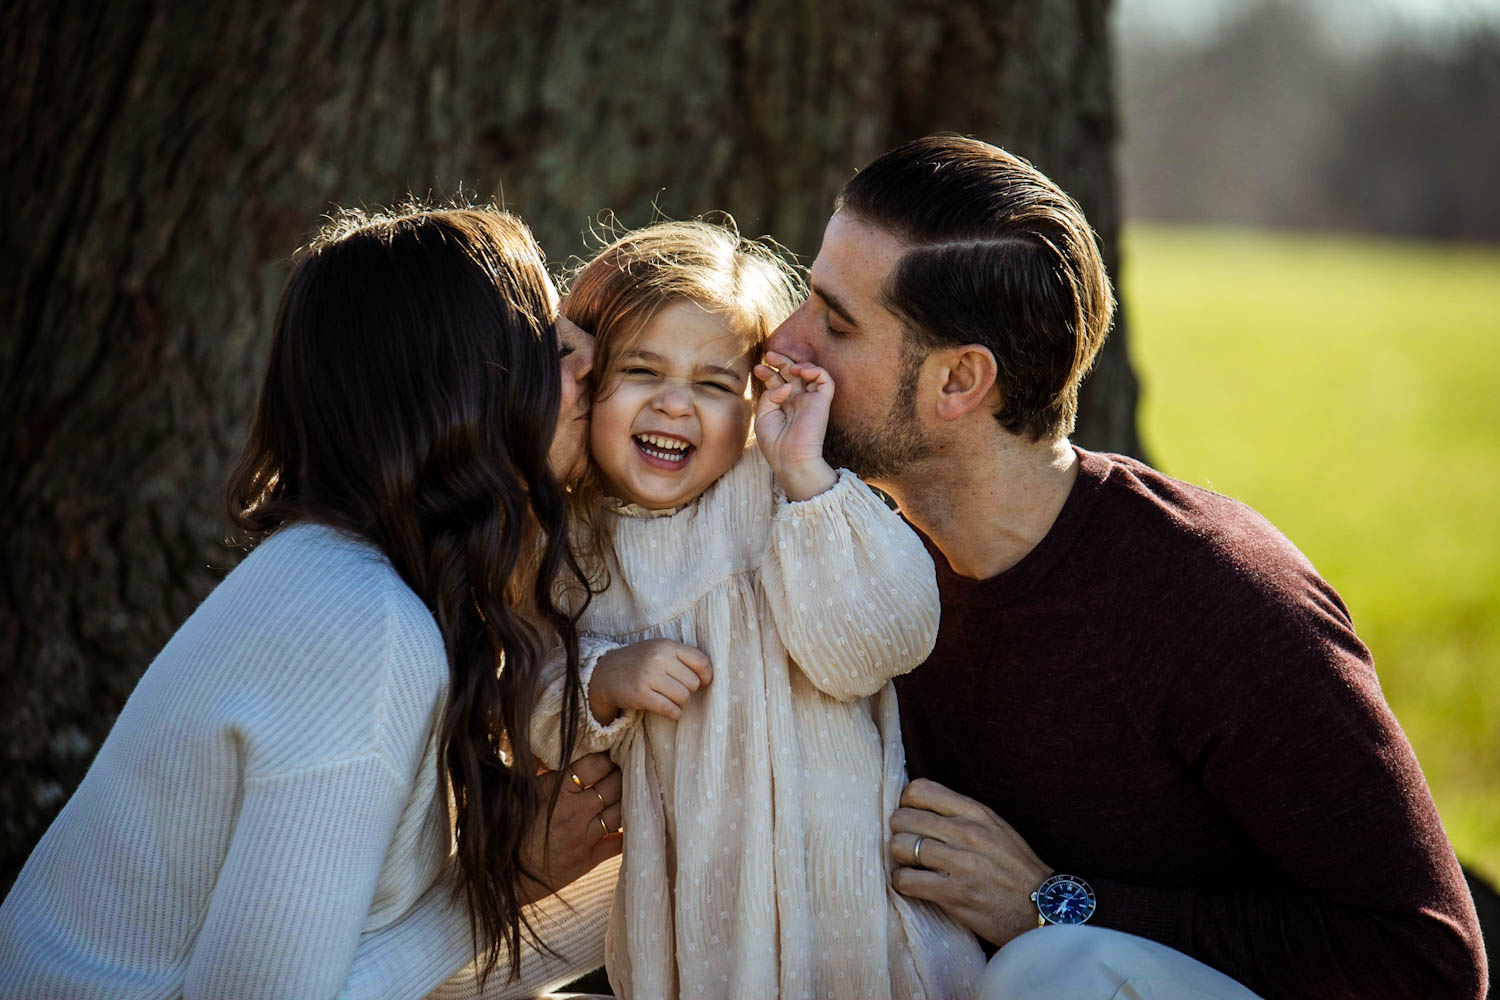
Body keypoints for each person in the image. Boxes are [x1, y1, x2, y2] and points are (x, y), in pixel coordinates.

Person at [766, 134, 1489, 999]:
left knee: (1053, 970)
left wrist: (1058, 906)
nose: (785, 340)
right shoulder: (851, 567)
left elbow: (1429, 960)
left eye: (834, 322)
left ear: (958, 383)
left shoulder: (1220, 600)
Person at [0, 206, 626, 999]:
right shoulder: (359, 624)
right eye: (539, 340)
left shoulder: (364, 586)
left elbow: (401, 962)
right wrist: (506, 885)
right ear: (458, 390)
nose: (587, 360)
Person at [529, 219, 985, 999]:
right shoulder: (572, 552)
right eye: (642, 372)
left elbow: (886, 639)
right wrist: (604, 679)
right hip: (698, 934)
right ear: (587, 384)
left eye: (713, 384)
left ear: (754, 400)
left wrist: (807, 476)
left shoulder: (784, 498)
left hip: (852, 912)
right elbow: (531, 708)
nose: (676, 406)